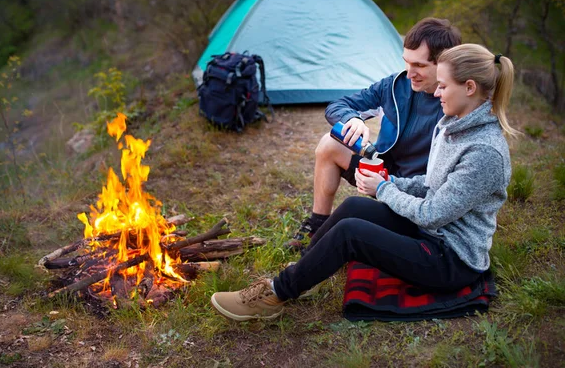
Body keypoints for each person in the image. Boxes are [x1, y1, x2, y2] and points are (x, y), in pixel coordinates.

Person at [210, 43, 517, 321]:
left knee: (350, 233)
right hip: (433, 234)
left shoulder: (483, 151)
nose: (436, 93)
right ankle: (302, 274)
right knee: (354, 206)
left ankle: (274, 295)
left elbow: (434, 212)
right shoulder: (453, 124)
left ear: (470, 87)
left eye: (443, 86)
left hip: (450, 259)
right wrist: (392, 181)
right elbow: (433, 184)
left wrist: (384, 190)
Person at [286, 17, 462, 250]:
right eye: (407, 63)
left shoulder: (457, 103)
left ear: (444, 63)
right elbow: (338, 105)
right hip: (381, 173)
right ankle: (318, 225)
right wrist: (353, 119)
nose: (409, 73)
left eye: (419, 66)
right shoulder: (395, 86)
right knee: (329, 143)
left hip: (418, 195)